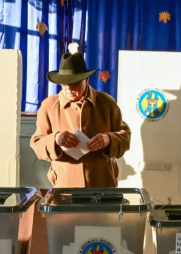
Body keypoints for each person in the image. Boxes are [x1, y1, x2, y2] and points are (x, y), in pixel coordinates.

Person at [30, 52, 131, 187]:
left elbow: (125, 137)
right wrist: (56, 139)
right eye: (64, 84)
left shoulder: (106, 103)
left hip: (103, 183)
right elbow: (37, 143)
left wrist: (109, 139)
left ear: (86, 80)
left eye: (75, 83)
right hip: (65, 185)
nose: (69, 89)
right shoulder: (49, 106)